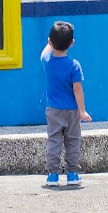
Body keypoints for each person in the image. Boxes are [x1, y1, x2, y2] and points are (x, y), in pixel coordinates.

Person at [41, 21, 91, 185]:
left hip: (53, 111)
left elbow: (45, 52)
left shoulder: (47, 62)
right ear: (72, 43)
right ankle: (72, 174)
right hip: (72, 111)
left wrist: (51, 42)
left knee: (54, 141)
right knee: (73, 142)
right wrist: (82, 111)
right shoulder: (74, 66)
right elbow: (78, 90)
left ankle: (53, 175)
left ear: (50, 41)